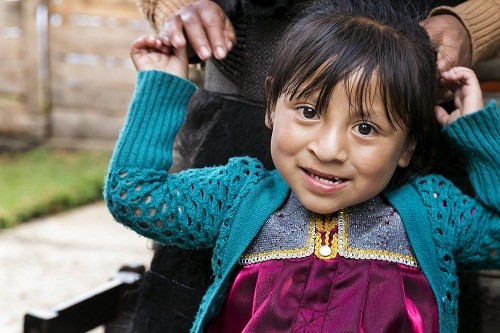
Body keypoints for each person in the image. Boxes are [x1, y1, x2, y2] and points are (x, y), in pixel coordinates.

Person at [104, 1, 500, 332]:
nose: (329, 150)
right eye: (309, 111)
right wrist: (160, 83)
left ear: (407, 146)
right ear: (272, 106)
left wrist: (479, 135)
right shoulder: (234, 197)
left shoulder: (433, 214)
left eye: (366, 128)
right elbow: (134, 194)